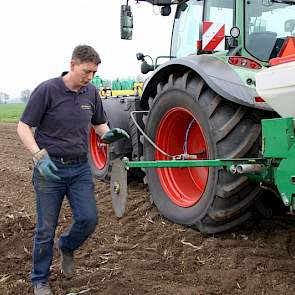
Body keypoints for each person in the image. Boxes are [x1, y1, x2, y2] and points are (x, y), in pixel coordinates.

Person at [17, 45, 129, 295]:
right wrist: (38, 156)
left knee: (89, 219)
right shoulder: (48, 90)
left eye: (94, 72)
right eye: (86, 71)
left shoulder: (90, 93)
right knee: (45, 229)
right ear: (72, 64)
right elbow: (23, 127)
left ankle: (66, 246)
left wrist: (108, 134)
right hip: (50, 169)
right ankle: (40, 279)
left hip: (79, 168)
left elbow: (99, 123)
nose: (90, 77)